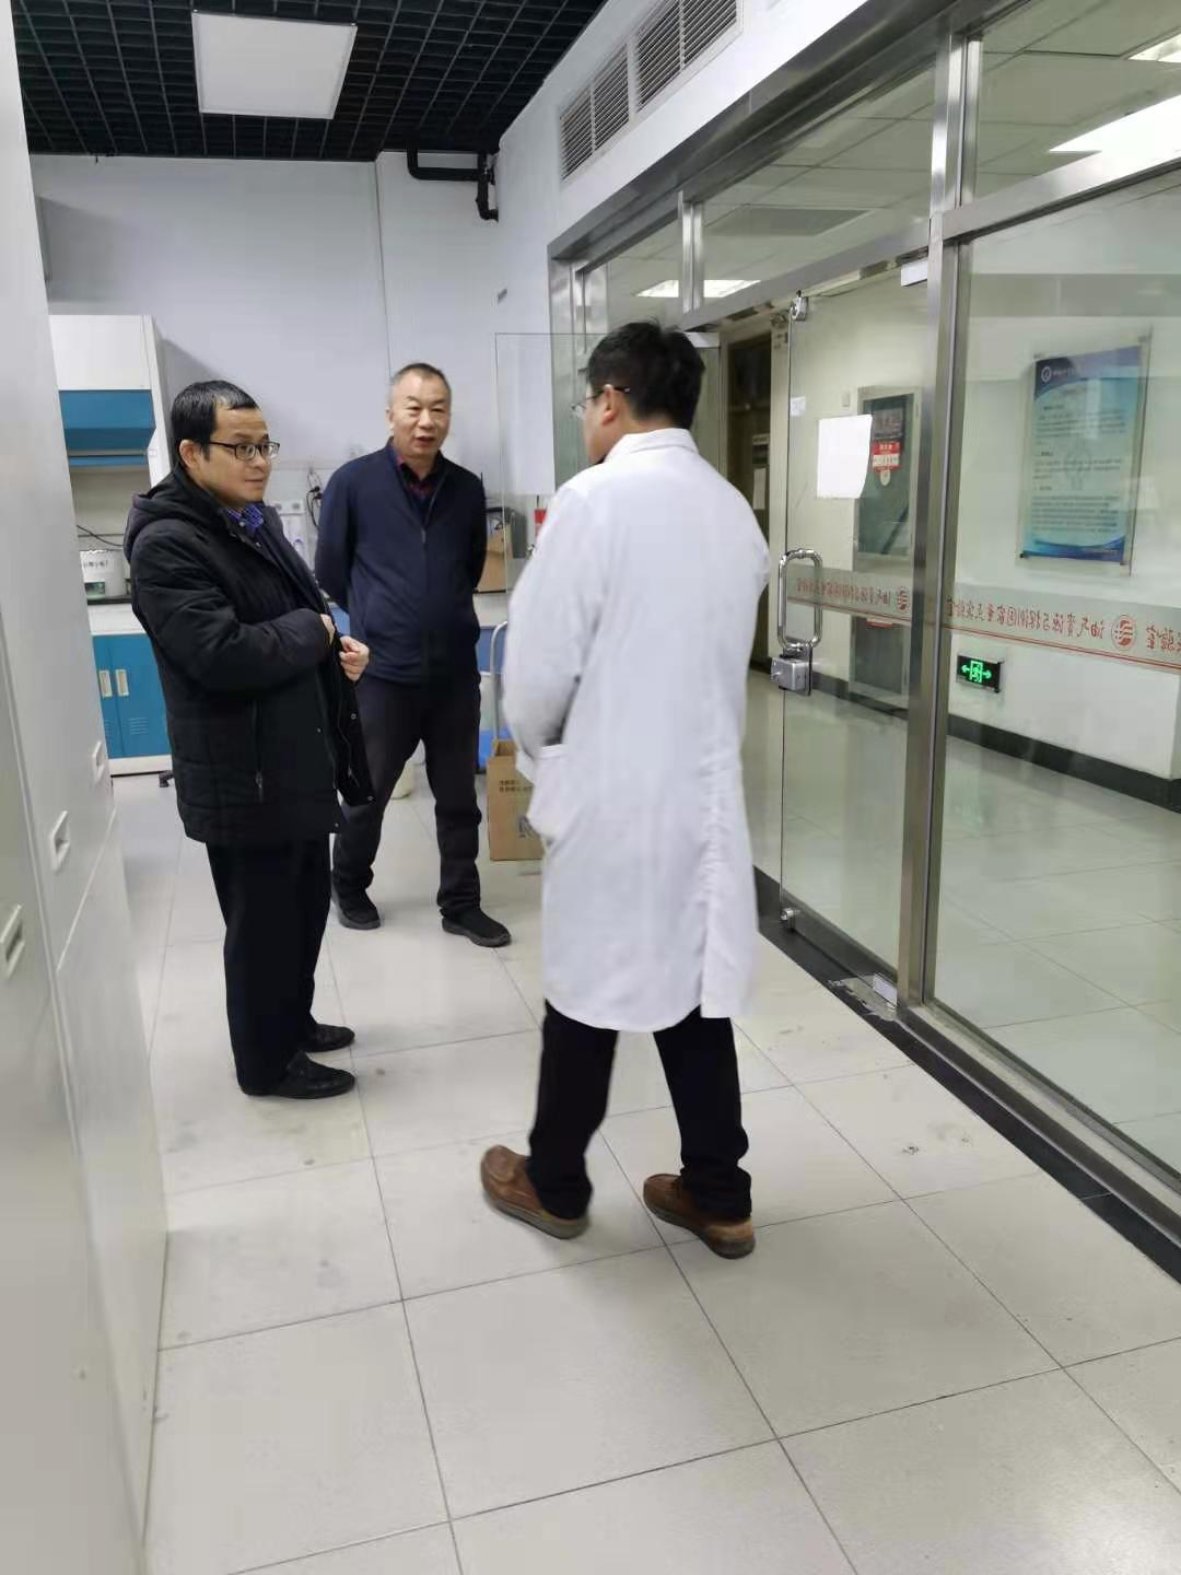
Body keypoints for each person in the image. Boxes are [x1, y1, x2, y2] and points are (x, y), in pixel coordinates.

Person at [480, 323, 769, 1260]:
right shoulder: (730, 508)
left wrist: (545, 757)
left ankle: (555, 1182)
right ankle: (719, 1194)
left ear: (609, 399)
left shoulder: (594, 500)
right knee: (694, 992)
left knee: (586, 991)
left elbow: (536, 674)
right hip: (703, 799)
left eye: (586, 403)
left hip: (613, 795)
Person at [124, 381, 374, 1101]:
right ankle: (265, 1064)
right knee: (262, 927)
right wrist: (314, 632)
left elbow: (303, 606)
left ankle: (292, 1023)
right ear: (190, 453)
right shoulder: (168, 544)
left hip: (293, 758)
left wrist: (335, 648)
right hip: (245, 774)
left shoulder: (249, 519)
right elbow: (222, 653)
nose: (260, 460)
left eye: (265, 445)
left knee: (302, 909)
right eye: (241, 447)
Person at [315, 364, 510, 948]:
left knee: (459, 798)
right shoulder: (352, 483)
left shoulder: (466, 489)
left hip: (453, 674)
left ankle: (461, 904)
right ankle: (348, 885)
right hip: (383, 675)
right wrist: (378, 617)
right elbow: (331, 571)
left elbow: (468, 566)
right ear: (391, 414)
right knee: (368, 793)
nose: (426, 421)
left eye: (438, 408)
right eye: (414, 407)